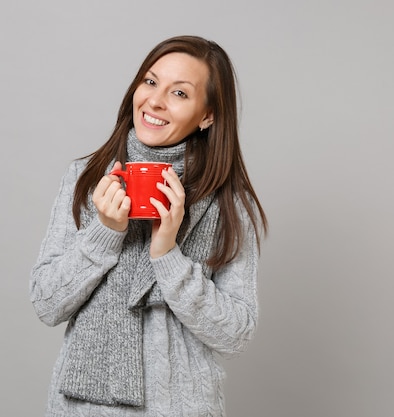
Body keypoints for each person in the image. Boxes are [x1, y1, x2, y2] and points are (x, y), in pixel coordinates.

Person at [30, 35, 268, 417]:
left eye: (180, 93)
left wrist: (168, 254)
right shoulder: (86, 179)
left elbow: (235, 334)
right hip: (79, 409)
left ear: (207, 116)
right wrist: (104, 234)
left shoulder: (227, 204)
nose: (155, 101)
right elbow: (46, 303)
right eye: (151, 81)